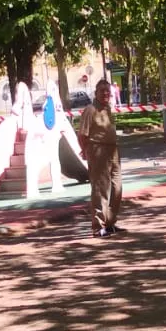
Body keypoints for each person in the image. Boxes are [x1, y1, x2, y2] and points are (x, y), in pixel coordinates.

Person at [75, 78, 122, 238]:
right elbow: (82, 135)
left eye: (107, 91)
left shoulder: (108, 108)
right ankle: (98, 226)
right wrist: (86, 151)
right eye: (102, 91)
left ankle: (110, 222)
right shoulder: (90, 109)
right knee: (101, 188)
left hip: (112, 150)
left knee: (117, 187)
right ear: (96, 93)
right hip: (98, 150)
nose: (105, 94)